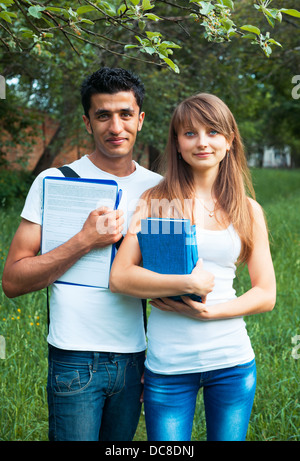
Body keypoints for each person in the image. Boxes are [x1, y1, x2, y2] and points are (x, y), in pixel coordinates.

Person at [2, 67, 162, 441]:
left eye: (125, 114)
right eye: (103, 115)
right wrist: (84, 240)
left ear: (140, 120)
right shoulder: (53, 181)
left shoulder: (158, 189)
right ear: (87, 122)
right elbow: (12, 281)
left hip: (134, 357)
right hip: (74, 358)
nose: (115, 126)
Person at [109, 93, 276, 441]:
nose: (202, 142)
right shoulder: (156, 202)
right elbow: (121, 277)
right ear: (177, 144)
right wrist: (188, 282)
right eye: (190, 133)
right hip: (169, 366)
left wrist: (211, 313)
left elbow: (265, 294)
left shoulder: (248, 210)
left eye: (213, 132)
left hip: (232, 362)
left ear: (229, 141)